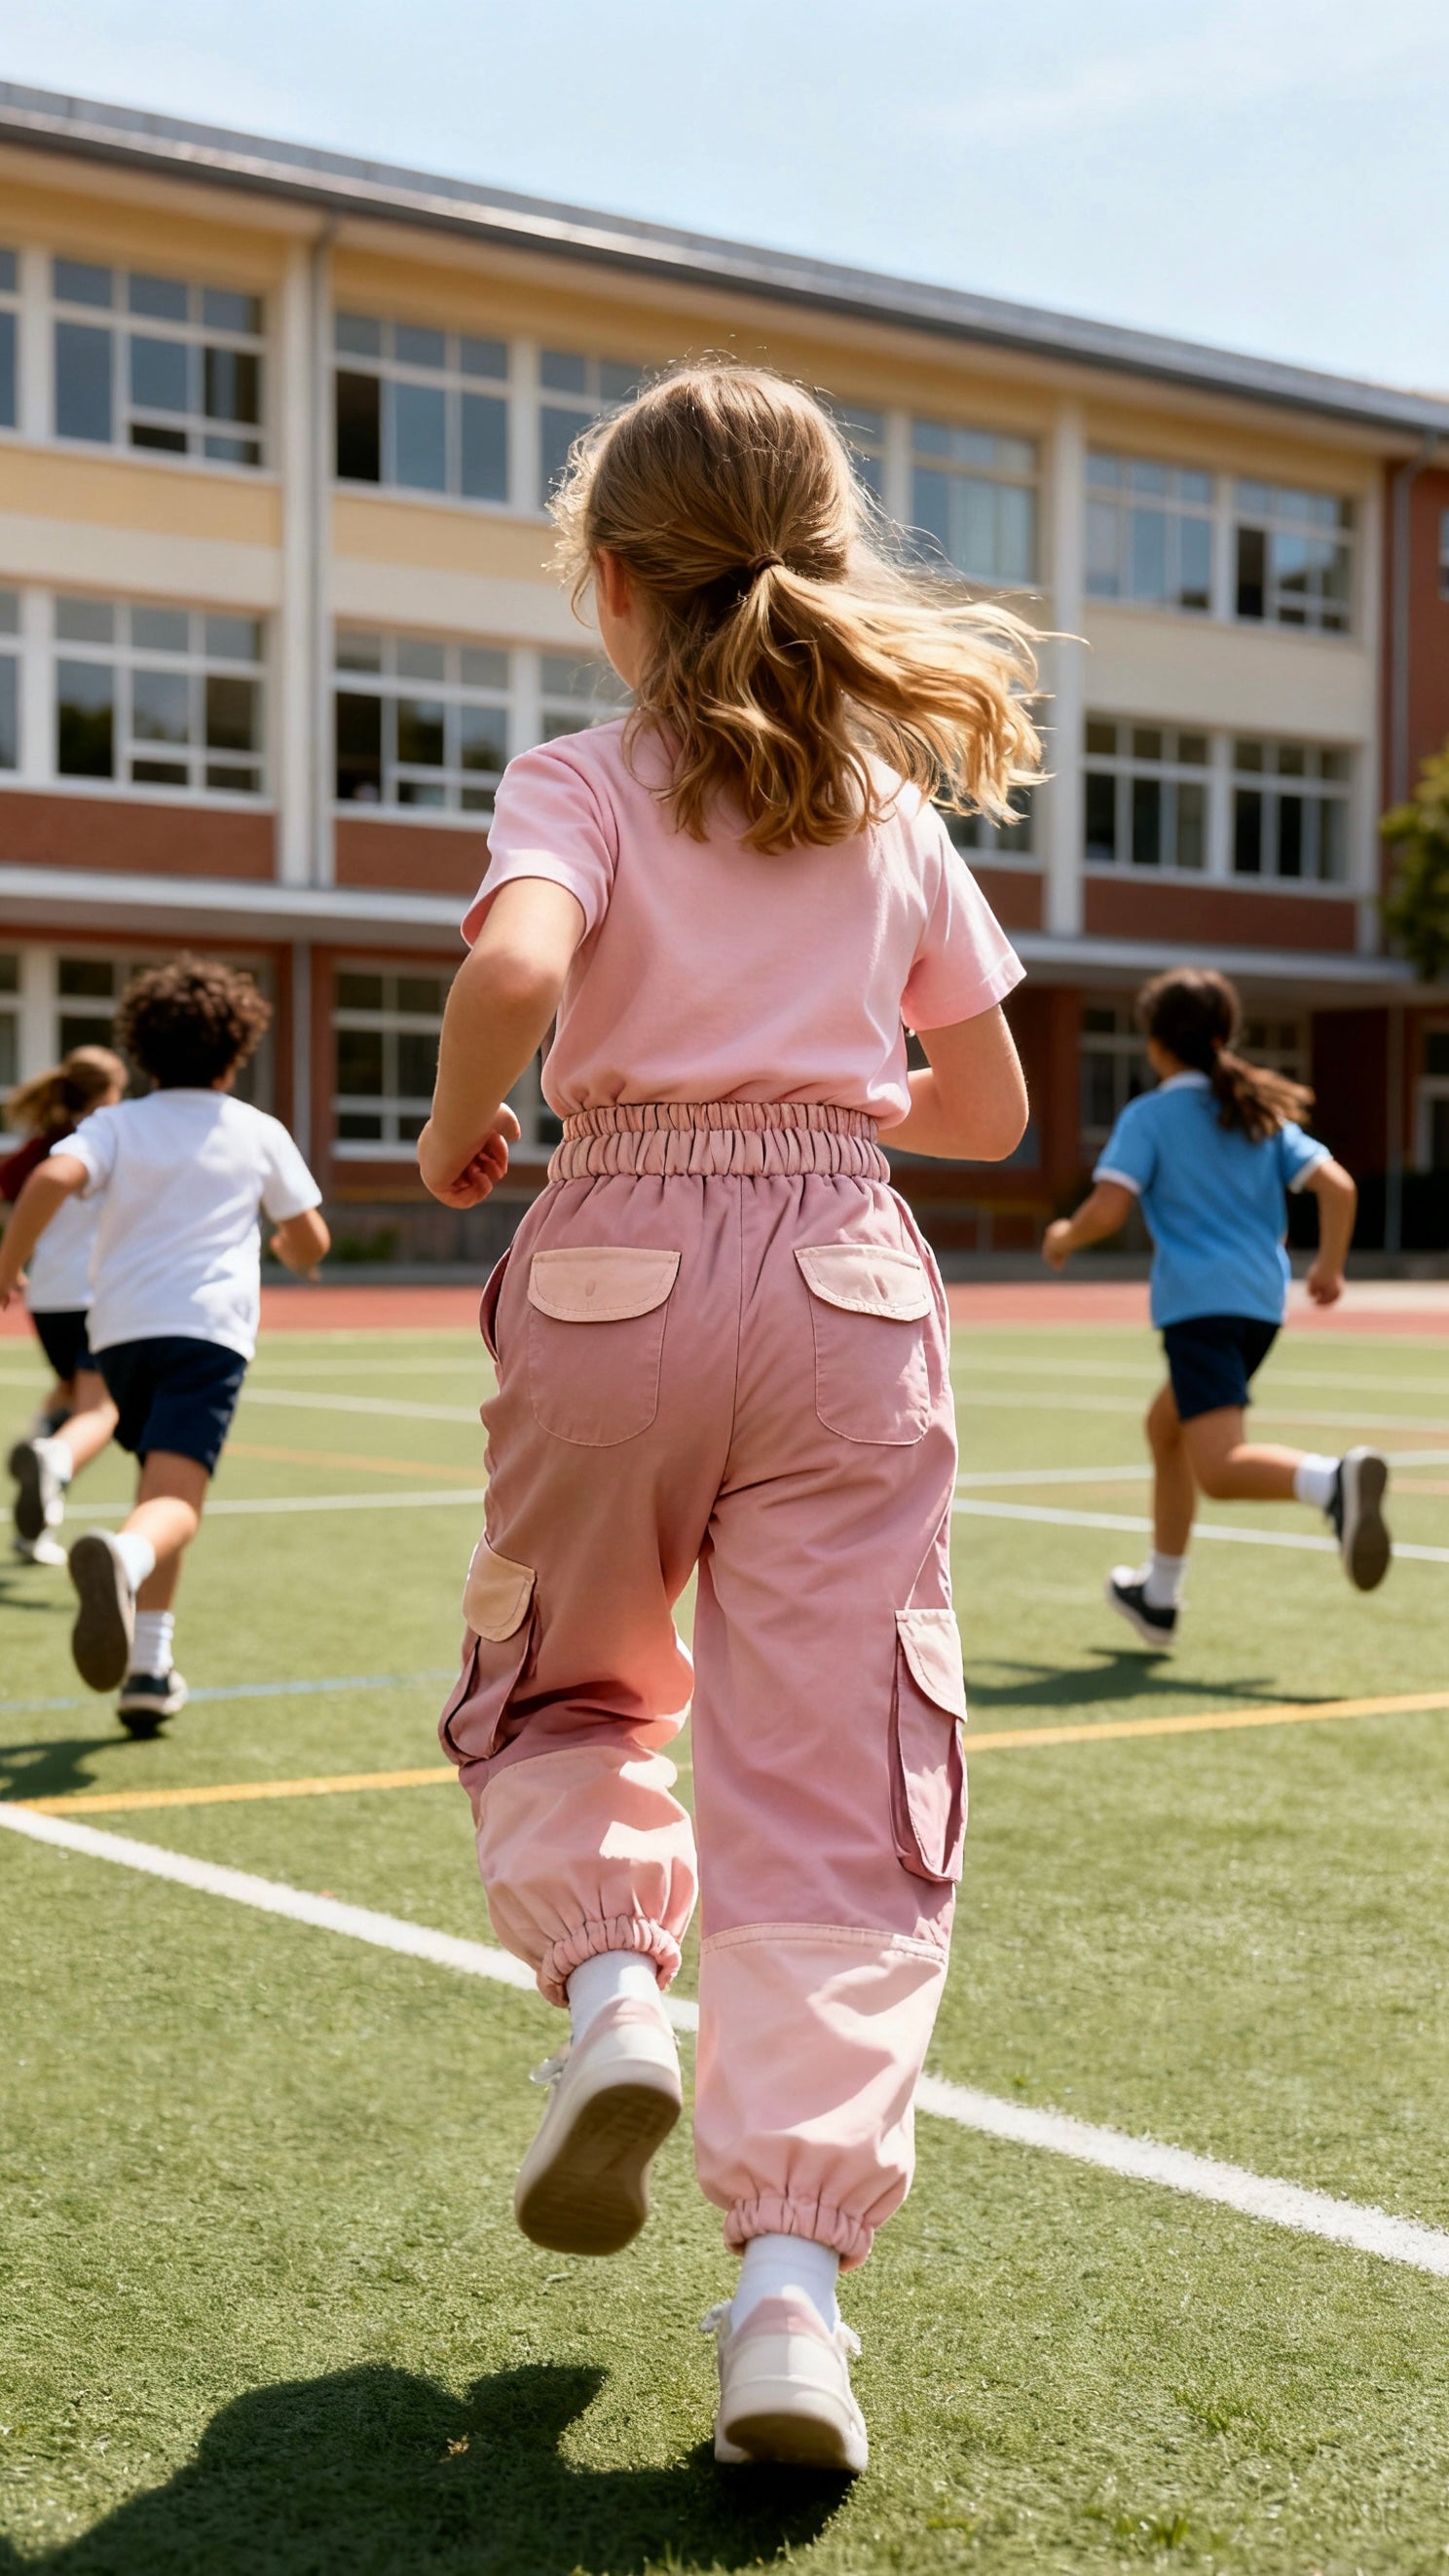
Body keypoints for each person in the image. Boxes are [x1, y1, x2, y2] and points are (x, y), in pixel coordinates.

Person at [418, 361, 1040, 2473]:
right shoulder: (884, 812)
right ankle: (789, 2295)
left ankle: (610, 1995)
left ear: (611, 585)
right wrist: (825, 1102)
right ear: (825, 565)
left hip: (610, 1259)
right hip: (852, 1278)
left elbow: (516, 965)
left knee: (570, 1687)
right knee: (841, 1783)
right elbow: (990, 1104)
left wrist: (463, 1110)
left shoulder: (582, 777)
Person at [0, 959, 329, 1735]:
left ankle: (150, 1666)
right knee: (174, 1503)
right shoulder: (257, 1130)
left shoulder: (117, 1124)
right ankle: (125, 1558)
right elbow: (310, 1237)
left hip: (119, 1337)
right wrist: (295, 1251)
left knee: (159, 1483)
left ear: (143, 1050)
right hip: (206, 1334)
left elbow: (49, 1178)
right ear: (237, 1050)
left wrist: (8, 1264)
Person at [1042, 966, 1389, 1648]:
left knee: (1222, 1468)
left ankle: (1333, 1482)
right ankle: (1159, 1596)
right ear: (1222, 1035)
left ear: (1155, 1044)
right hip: (1261, 1305)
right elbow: (1339, 1188)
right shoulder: (1257, 1113)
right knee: (1165, 1427)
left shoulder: (1151, 1116)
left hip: (1199, 1307)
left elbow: (1108, 1208)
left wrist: (1062, 1235)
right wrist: (1329, 1266)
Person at [2, 1046, 127, 1564]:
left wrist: (11, 1264)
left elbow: (13, 1193)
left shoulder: (40, 1147)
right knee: (99, 1410)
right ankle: (46, 1459)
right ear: (109, 1094)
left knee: (69, 1393)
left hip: (49, 1298)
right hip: (95, 1295)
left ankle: (33, 1521)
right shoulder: (113, 1139)